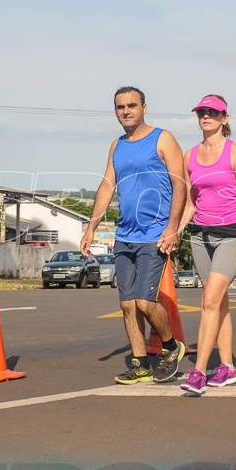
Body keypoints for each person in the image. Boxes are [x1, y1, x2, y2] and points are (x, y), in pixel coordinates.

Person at [81, 87, 188, 384]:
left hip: (155, 234)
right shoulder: (117, 146)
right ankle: (139, 363)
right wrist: (91, 227)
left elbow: (181, 185)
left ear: (144, 107)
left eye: (131, 105)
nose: (126, 111)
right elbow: (106, 188)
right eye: (120, 107)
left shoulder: (162, 138)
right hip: (125, 234)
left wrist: (172, 228)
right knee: (127, 304)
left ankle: (170, 347)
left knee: (144, 300)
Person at [176, 95, 236, 395]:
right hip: (201, 237)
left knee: (209, 301)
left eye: (212, 112)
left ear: (224, 118)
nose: (206, 117)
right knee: (219, 303)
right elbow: (191, 202)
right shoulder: (190, 155)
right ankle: (226, 367)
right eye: (201, 112)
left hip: (231, 237)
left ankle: (199, 372)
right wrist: (177, 230)